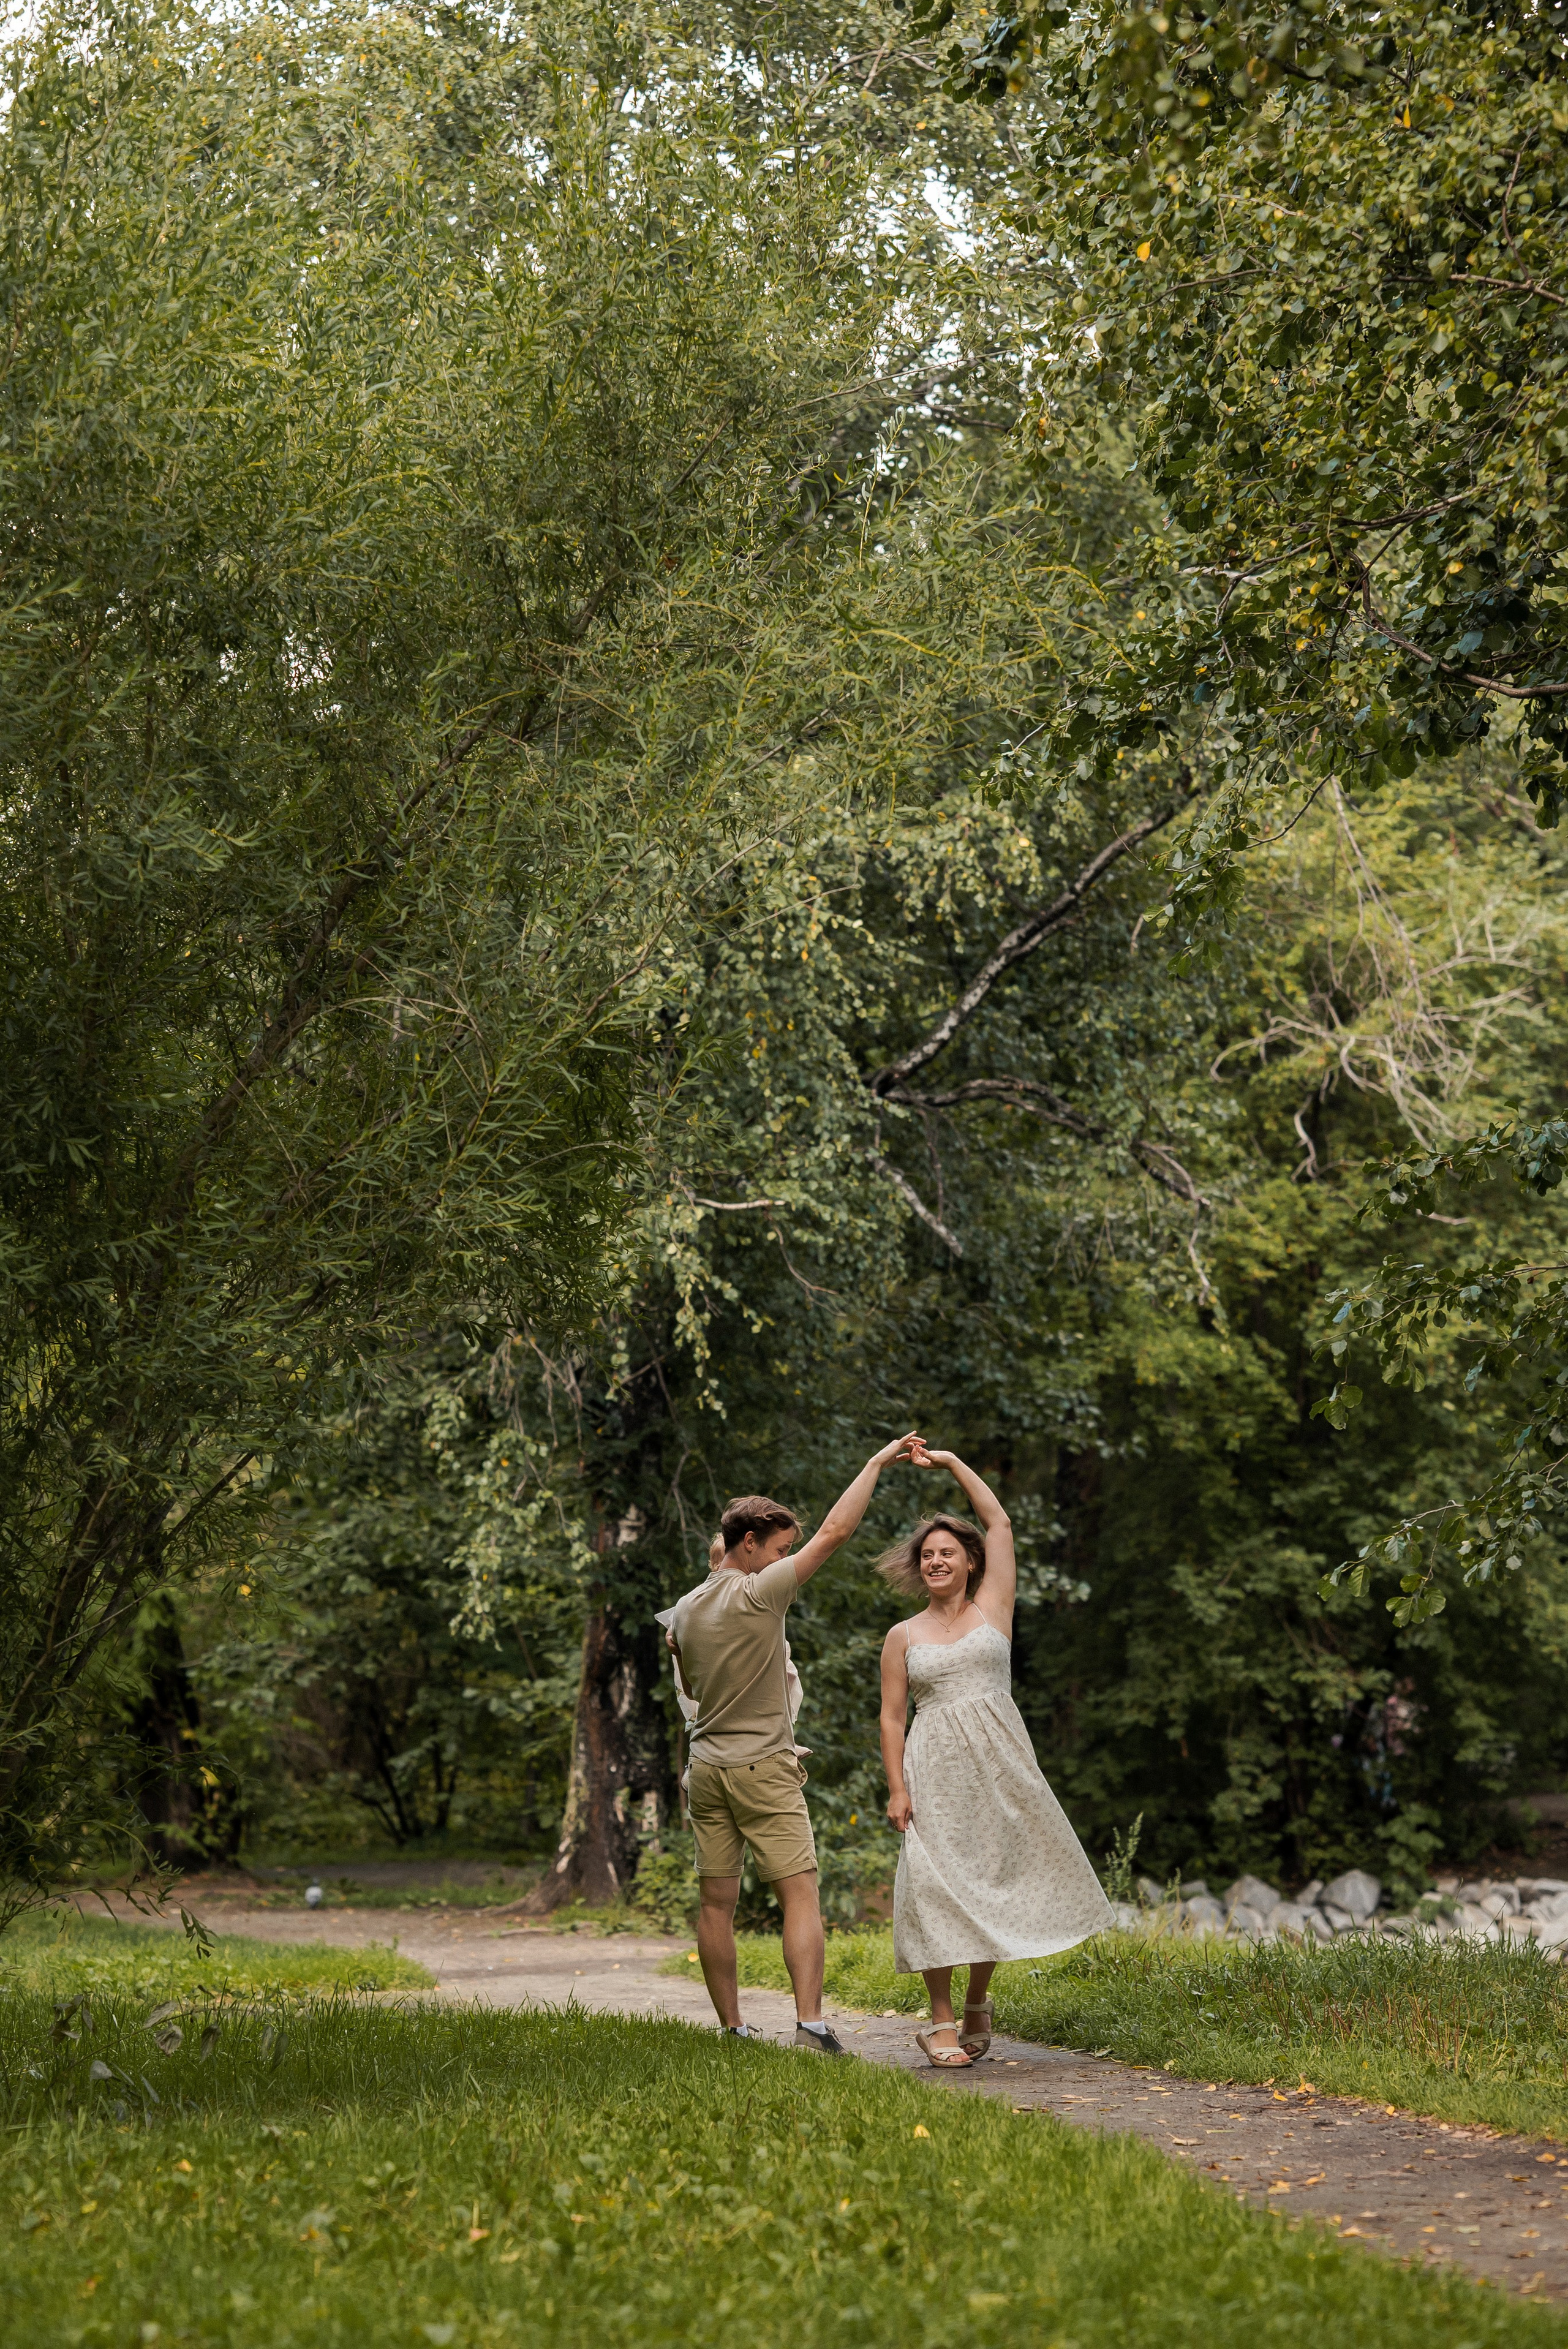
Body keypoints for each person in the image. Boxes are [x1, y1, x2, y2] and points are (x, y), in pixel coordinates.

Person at [667, 1434, 921, 2053]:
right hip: (762, 1770)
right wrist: (872, 1463)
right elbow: (834, 1532)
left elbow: (682, 1654)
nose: (784, 1559)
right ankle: (809, 2024)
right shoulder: (757, 1593)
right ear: (747, 1544)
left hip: (705, 1769)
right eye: (778, 1548)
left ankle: (732, 2029)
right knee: (800, 1892)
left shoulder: (684, 1609)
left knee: (715, 1903)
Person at [878, 1444, 1113, 2067]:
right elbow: (892, 1715)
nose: (934, 1561)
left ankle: (979, 1997)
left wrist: (954, 1464)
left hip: (1000, 1765)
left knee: (991, 1882)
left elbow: (1000, 1523)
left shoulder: (994, 1609)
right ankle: (941, 2020)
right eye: (926, 1555)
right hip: (933, 1770)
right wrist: (897, 1787)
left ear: (968, 1562)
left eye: (945, 1553)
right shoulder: (902, 1635)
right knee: (933, 1887)